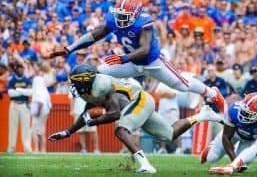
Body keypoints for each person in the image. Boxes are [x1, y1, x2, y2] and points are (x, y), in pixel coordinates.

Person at [45, 0, 227, 114]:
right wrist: (70, 48)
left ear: (136, 14)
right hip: (130, 62)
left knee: (182, 85)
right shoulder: (113, 18)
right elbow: (95, 35)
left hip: (152, 62)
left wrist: (122, 58)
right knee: (99, 72)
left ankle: (212, 93)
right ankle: (100, 104)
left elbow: (145, 49)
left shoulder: (144, 23)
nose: (121, 20)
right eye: (120, 16)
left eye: (125, 17)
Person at [48, 63, 221, 173]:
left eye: (76, 82)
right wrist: (67, 132)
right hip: (136, 103)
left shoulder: (102, 86)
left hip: (140, 99)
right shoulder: (89, 91)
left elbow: (115, 114)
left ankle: (146, 165)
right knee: (169, 135)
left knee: (121, 129)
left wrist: (95, 121)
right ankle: (202, 115)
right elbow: (86, 112)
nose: (74, 86)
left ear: (86, 80)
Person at [200, 92, 257, 166]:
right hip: (234, 133)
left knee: (243, 164)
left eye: (247, 114)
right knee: (212, 158)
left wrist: (239, 163)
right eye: (243, 111)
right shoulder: (234, 110)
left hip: (249, 141)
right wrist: (234, 162)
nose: (242, 115)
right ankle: (211, 146)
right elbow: (226, 137)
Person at [7, 63, 32, 153]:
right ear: (15, 70)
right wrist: (23, 91)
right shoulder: (12, 80)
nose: (20, 70)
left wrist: (18, 90)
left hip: (24, 104)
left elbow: (30, 92)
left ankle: (27, 148)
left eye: (21, 68)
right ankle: (11, 148)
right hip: (14, 104)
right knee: (12, 127)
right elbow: (10, 93)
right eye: (18, 68)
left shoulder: (27, 80)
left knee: (26, 128)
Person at [30, 62, 52, 153]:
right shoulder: (45, 90)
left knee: (34, 131)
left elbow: (40, 102)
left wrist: (37, 111)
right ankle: (43, 150)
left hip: (38, 113)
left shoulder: (38, 89)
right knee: (42, 132)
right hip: (45, 113)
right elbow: (49, 105)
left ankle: (36, 149)